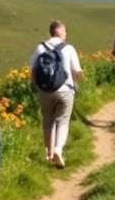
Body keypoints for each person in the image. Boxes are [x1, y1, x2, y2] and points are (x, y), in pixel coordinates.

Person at [29, 20, 83, 169]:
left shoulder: (40, 47)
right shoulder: (68, 48)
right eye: (65, 31)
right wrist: (78, 82)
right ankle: (58, 149)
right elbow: (77, 71)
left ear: (51, 32)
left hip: (45, 91)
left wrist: (35, 86)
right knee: (63, 121)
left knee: (47, 120)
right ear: (61, 32)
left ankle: (49, 153)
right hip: (65, 90)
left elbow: (32, 70)